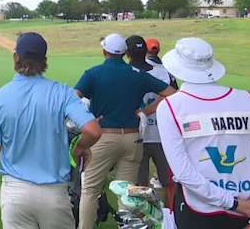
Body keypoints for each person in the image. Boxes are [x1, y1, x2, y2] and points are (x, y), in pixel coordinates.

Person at [156, 37, 250, 229]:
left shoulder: (170, 107)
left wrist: (235, 204)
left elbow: (183, 172)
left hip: (200, 211)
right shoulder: (249, 100)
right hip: (249, 208)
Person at [0, 32, 102, 229]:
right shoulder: (62, 92)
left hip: (15, 194)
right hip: (54, 194)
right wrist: (78, 148)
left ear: (16, 57)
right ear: (44, 60)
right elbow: (93, 131)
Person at [74, 33, 176, 229]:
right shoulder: (137, 74)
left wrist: (87, 121)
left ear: (105, 51)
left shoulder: (94, 73)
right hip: (133, 138)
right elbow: (171, 93)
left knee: (90, 191)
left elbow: (72, 99)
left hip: (102, 138)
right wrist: (145, 111)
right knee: (128, 193)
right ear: (124, 53)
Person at [125, 36, 177, 202]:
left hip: (138, 135)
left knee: (140, 185)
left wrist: (144, 112)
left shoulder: (125, 72)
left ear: (127, 53)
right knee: (169, 181)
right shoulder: (164, 71)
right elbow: (174, 96)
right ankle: (172, 218)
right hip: (161, 135)